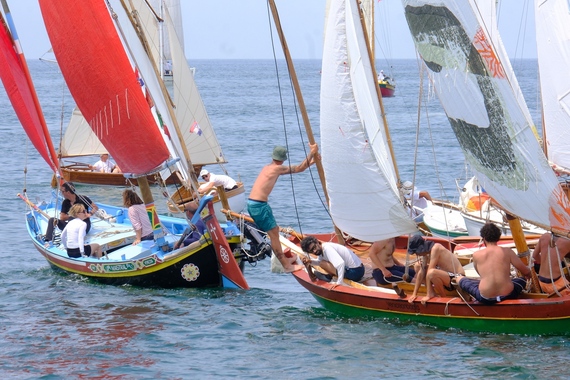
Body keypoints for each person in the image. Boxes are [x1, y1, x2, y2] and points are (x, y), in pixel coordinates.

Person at [247, 143, 319, 273]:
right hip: (259, 206)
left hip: (253, 204)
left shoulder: (268, 167)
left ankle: (285, 262)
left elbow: (300, 168)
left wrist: (313, 161)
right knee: (274, 235)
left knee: (274, 232)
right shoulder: (276, 169)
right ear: (284, 158)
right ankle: (286, 266)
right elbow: (299, 168)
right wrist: (312, 153)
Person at [456, 222, 531, 304]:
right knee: (521, 280)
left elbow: (481, 274)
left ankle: (467, 300)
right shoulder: (508, 252)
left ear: (484, 238)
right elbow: (526, 272)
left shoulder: (476, 255)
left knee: (460, 279)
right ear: (498, 237)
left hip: (485, 298)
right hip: (508, 295)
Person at [406, 235, 465, 304]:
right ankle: (432, 293)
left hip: (457, 278)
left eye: (416, 252)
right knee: (417, 266)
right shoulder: (426, 252)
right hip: (446, 277)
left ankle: (443, 297)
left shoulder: (436, 248)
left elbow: (430, 271)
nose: (416, 254)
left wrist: (428, 295)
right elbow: (422, 271)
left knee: (431, 272)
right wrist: (414, 293)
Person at [300, 236, 365, 287]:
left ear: (317, 242)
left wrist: (339, 283)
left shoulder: (327, 248)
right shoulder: (322, 249)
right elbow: (318, 261)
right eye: (311, 251)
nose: (314, 251)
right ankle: (333, 276)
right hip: (358, 269)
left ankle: (331, 278)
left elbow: (340, 263)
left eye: (314, 247)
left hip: (356, 272)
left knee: (323, 263)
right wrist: (310, 261)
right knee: (322, 262)